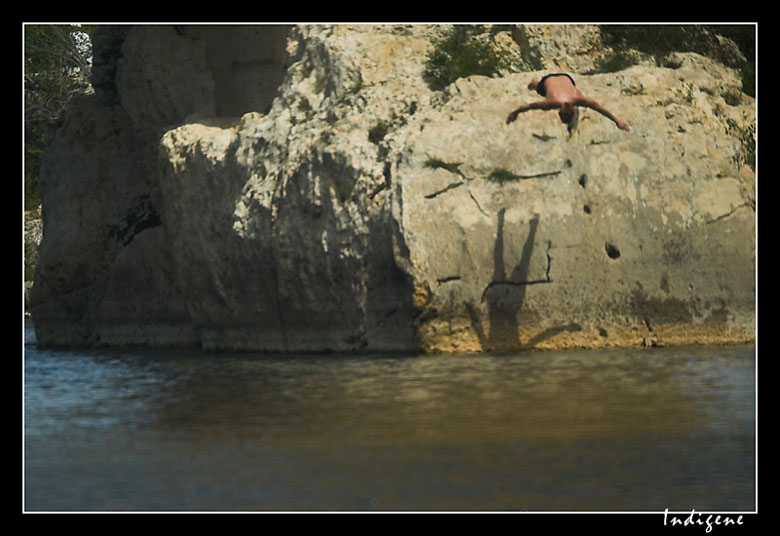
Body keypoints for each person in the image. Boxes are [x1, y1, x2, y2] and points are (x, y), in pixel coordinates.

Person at [506, 73, 631, 132]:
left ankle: (535, 83)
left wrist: (617, 120)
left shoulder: (577, 99)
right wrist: (515, 112)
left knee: (580, 96)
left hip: (567, 77)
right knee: (539, 87)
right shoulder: (550, 103)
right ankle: (535, 82)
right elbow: (530, 106)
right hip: (549, 80)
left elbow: (598, 107)